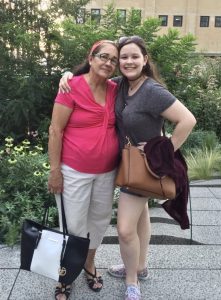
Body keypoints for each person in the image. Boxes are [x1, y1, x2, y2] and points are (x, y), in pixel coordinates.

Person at [59, 36, 196, 300]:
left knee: (124, 229)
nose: (128, 61)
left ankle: (132, 281)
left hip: (145, 166)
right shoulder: (121, 86)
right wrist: (67, 75)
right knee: (141, 216)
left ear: (145, 60)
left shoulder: (151, 91)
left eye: (134, 56)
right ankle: (140, 266)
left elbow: (187, 120)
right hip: (130, 165)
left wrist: (164, 149)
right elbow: (92, 77)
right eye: (124, 57)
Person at [48, 40, 119, 300]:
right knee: (73, 226)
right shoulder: (71, 87)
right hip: (74, 171)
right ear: (91, 58)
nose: (108, 62)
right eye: (103, 56)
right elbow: (55, 130)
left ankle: (89, 265)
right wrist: (55, 170)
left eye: (113, 59)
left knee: (99, 223)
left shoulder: (116, 89)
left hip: (107, 172)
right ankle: (66, 274)